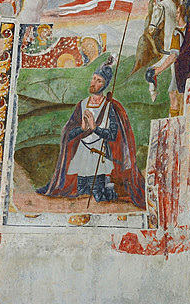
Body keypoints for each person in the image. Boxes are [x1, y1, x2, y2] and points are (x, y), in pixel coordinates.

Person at [37, 58, 146, 208]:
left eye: (99, 80)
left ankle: (111, 190)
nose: (94, 83)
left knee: (99, 197)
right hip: (82, 155)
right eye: (93, 78)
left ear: (105, 84)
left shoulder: (110, 107)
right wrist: (82, 129)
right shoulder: (82, 104)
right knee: (81, 192)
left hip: (100, 156)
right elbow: (68, 133)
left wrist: (95, 128)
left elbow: (113, 135)